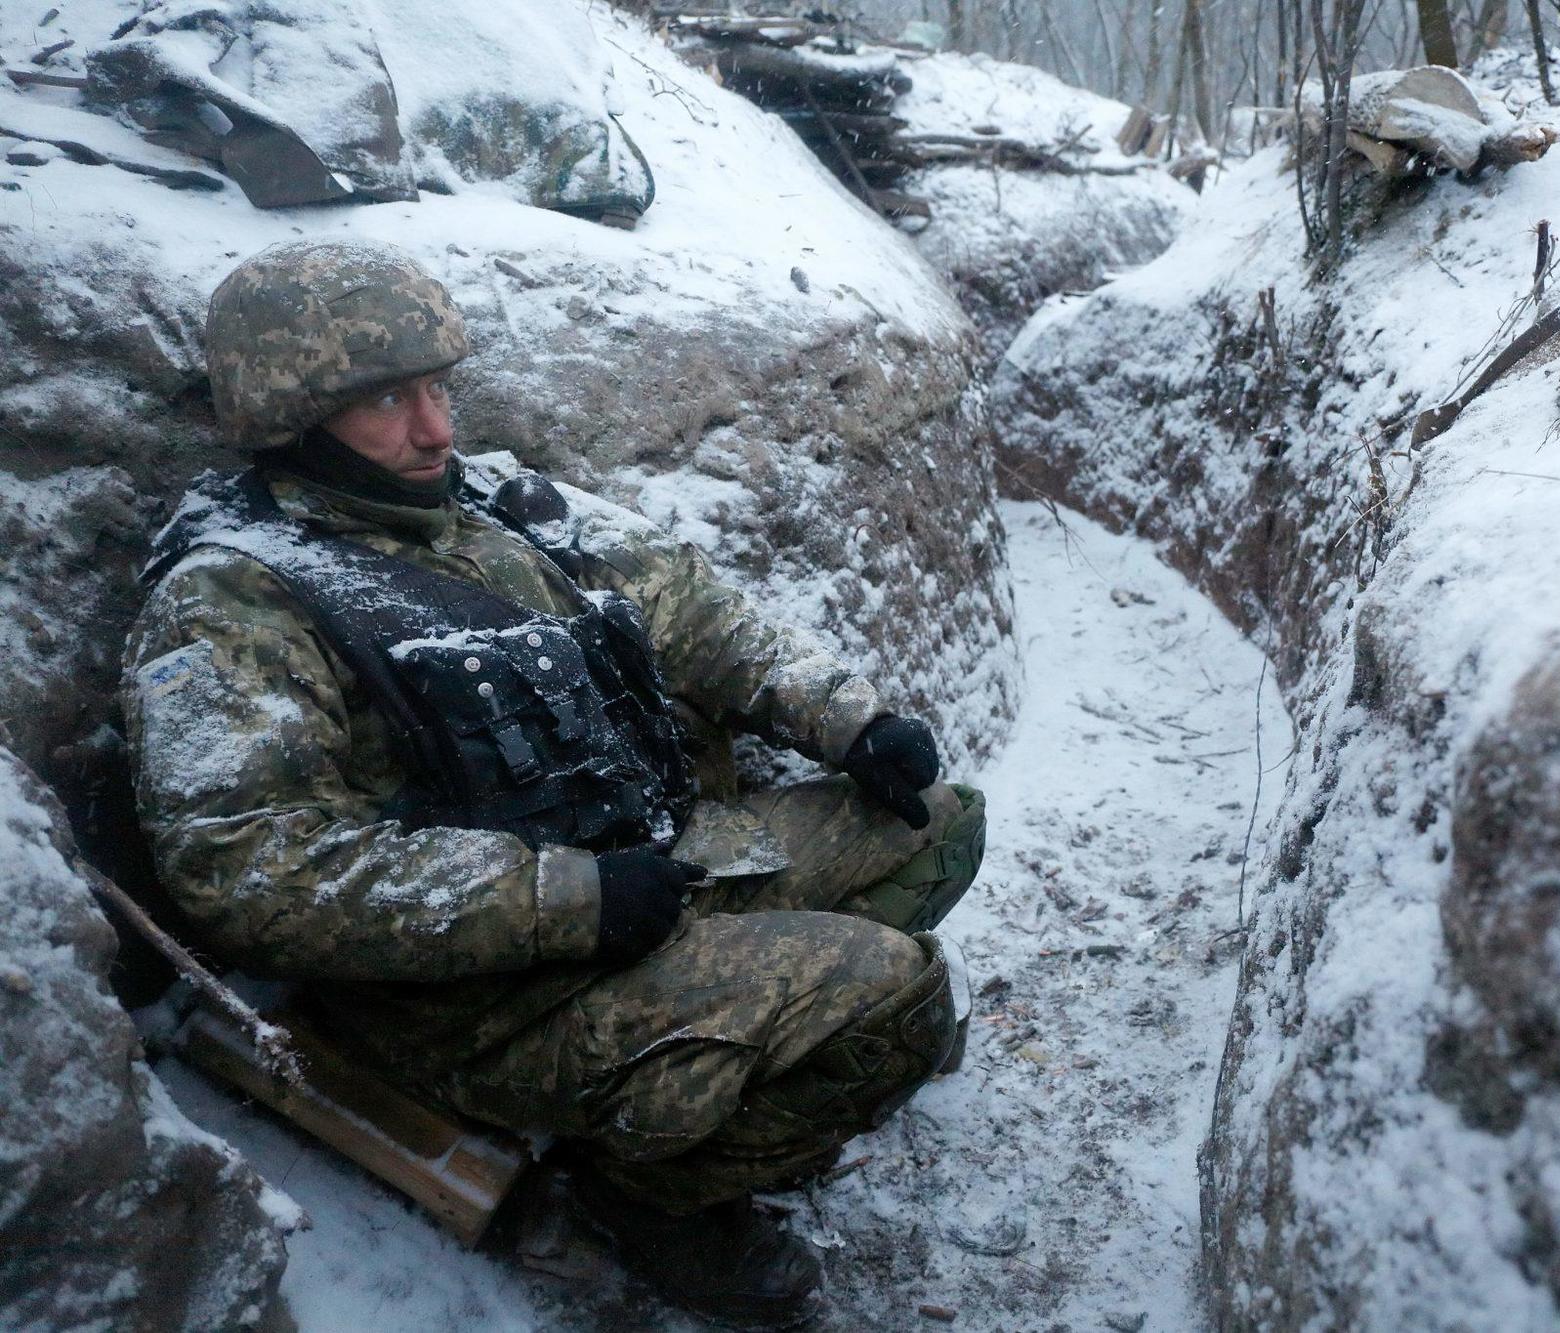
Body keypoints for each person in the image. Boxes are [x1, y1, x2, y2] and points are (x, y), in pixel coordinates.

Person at [121, 239, 987, 1330]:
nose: (434, 429)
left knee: (941, 823)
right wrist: (562, 900)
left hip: (646, 867)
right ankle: (650, 1193)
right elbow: (250, 872)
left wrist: (846, 718)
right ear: (291, 420)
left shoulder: (493, 505)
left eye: (436, 389)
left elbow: (698, 616)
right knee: (893, 992)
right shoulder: (234, 601)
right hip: (479, 994)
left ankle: (754, 1064)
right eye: (386, 403)